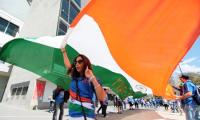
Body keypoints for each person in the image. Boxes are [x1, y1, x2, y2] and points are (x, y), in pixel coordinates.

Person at [61, 46, 106, 120]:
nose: (76, 64)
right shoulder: (75, 77)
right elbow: (68, 67)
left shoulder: (92, 79)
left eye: (80, 61)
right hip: (72, 116)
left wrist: (92, 77)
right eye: (75, 62)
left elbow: (102, 97)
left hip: (86, 116)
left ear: (85, 63)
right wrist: (63, 51)